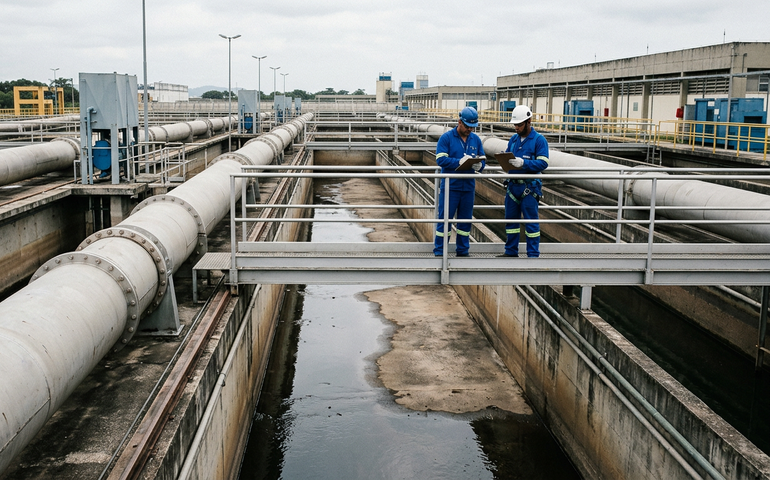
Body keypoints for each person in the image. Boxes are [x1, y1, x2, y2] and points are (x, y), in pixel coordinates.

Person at [433, 106, 486, 257]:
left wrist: (479, 165)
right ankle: (440, 251)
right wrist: (459, 162)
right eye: (468, 126)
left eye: (472, 127)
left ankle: (463, 251)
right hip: (451, 186)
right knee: (445, 220)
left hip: (468, 187)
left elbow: (482, 160)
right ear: (459, 122)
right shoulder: (447, 138)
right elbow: (440, 159)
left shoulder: (475, 139)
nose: (470, 130)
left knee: (465, 221)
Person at [500, 105, 549, 258]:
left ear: (529, 122)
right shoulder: (514, 139)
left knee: (531, 223)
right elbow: (509, 156)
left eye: (519, 125)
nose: (517, 128)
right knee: (511, 223)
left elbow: (543, 163)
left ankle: (533, 255)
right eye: (515, 125)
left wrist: (524, 163)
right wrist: (504, 160)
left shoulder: (539, 140)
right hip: (513, 186)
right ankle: (511, 252)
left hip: (529, 189)